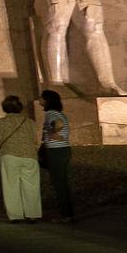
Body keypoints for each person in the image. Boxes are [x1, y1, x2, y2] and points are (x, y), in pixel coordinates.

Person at [0, 94, 42, 223]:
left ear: (5, 108)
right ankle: (32, 214)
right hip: (30, 156)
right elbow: (35, 138)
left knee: (11, 186)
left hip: (9, 155)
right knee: (32, 186)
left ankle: (15, 215)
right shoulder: (30, 122)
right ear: (20, 108)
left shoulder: (0, 123)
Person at [39, 88, 75, 221]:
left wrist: (53, 134)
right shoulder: (60, 113)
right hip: (64, 149)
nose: (39, 100)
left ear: (47, 100)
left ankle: (65, 214)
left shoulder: (51, 113)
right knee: (64, 183)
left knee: (58, 183)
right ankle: (69, 212)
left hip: (55, 151)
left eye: (41, 98)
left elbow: (58, 125)